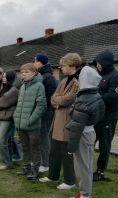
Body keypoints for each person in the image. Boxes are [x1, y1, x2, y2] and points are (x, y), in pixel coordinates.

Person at [65, 66, 105, 198]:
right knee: (86, 165)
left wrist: (71, 147)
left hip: (82, 134)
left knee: (82, 166)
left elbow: (76, 126)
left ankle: (84, 197)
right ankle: (84, 193)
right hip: (90, 132)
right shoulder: (96, 96)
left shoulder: (84, 99)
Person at [39, 53, 81, 189]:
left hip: (67, 120)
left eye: (63, 66)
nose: (61, 68)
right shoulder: (63, 80)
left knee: (66, 153)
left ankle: (70, 181)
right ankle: (53, 176)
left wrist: (58, 100)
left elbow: (68, 99)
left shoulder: (77, 82)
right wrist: (59, 101)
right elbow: (53, 98)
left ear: (72, 65)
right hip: (57, 120)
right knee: (54, 150)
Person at [93, 50, 118, 181]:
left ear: (105, 63)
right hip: (96, 116)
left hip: (108, 118)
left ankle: (100, 171)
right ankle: (85, 167)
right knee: (89, 142)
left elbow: (112, 96)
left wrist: (93, 98)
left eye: (99, 63)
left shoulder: (117, 77)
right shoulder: (100, 76)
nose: (97, 66)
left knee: (104, 145)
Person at [14, 63, 46, 180]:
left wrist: (31, 119)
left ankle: (35, 170)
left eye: (27, 72)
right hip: (21, 124)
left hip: (33, 125)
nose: (24, 74)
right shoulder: (22, 86)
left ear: (34, 73)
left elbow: (41, 106)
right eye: (22, 72)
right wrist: (16, 117)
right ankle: (27, 168)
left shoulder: (39, 86)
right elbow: (20, 105)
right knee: (25, 147)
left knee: (35, 148)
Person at [34, 53, 58, 173]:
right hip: (43, 111)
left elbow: (49, 96)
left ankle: (46, 163)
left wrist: (42, 108)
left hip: (46, 112)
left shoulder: (47, 77)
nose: (34, 63)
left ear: (40, 62)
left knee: (45, 138)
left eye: (35, 61)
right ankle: (44, 161)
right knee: (42, 137)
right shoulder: (42, 75)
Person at [0, 71, 19, 170]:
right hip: (2, 116)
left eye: (5, 77)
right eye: (3, 77)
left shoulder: (13, 90)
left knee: (1, 140)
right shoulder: (5, 87)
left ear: (10, 77)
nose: (3, 78)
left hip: (8, 117)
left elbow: (0, 103)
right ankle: (8, 161)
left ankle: (5, 162)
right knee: (7, 140)